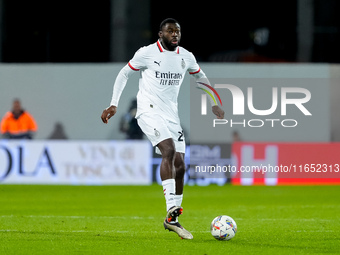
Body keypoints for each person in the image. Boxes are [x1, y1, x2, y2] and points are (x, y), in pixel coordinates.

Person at [101, 18, 224, 239]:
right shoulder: (147, 53)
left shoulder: (186, 56)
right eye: (170, 31)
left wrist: (214, 102)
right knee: (168, 151)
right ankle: (170, 207)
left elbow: (201, 77)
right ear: (160, 34)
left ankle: (172, 220)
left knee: (180, 164)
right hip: (148, 111)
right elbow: (124, 74)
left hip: (171, 116)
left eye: (177, 31)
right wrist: (113, 103)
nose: (175, 34)